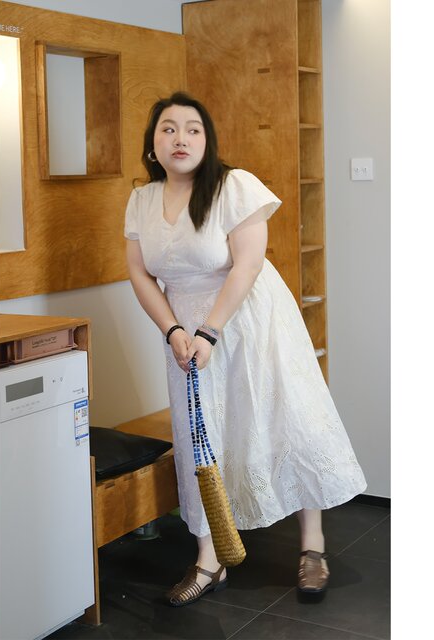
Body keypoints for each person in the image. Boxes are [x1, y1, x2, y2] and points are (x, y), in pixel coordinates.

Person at [124, 91, 367, 607]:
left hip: (249, 319)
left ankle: (313, 547)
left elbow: (249, 263)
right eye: (168, 129)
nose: (181, 138)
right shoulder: (142, 200)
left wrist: (210, 331)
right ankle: (209, 558)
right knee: (199, 434)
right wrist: (173, 330)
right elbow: (140, 275)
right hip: (184, 330)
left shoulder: (233, 186)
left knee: (287, 417)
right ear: (152, 145)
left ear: (206, 141)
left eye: (193, 129)